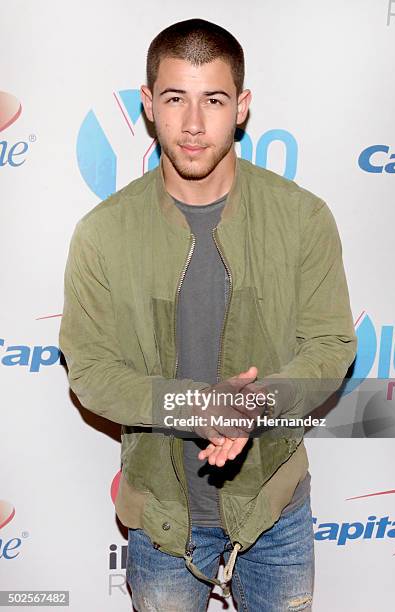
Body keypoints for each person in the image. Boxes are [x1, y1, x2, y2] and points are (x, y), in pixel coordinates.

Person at [59, 17, 357, 612]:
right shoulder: (102, 234)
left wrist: (255, 402)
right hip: (162, 524)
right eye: (175, 99)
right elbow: (90, 370)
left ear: (241, 107)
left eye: (213, 100)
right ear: (148, 105)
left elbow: (330, 345)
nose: (193, 125)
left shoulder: (302, 218)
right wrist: (196, 404)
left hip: (275, 511)